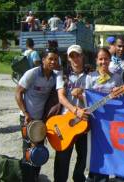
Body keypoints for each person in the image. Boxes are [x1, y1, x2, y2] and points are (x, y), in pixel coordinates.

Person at [15, 48, 60, 182]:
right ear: (43, 60)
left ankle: (34, 177)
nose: (53, 62)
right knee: (28, 151)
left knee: (39, 151)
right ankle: (26, 178)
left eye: (55, 59)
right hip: (27, 118)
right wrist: (25, 113)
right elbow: (18, 93)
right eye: (50, 59)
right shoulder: (32, 74)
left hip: (41, 120)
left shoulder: (55, 77)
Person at [54, 45, 91, 182]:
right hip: (66, 121)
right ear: (68, 58)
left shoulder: (90, 76)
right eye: (72, 56)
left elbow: (93, 97)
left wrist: (82, 96)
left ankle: (78, 178)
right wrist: (75, 110)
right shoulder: (62, 75)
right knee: (62, 157)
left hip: (84, 122)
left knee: (83, 156)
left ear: (82, 56)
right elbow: (61, 97)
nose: (75, 58)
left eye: (78, 55)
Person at [85, 48, 123, 182]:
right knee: (95, 151)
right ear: (96, 60)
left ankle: (106, 177)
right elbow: (86, 99)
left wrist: (119, 92)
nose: (103, 61)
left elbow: (122, 99)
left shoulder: (117, 78)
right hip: (95, 121)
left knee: (110, 149)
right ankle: (94, 176)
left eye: (106, 58)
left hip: (111, 121)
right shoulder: (90, 77)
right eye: (100, 59)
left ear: (110, 60)